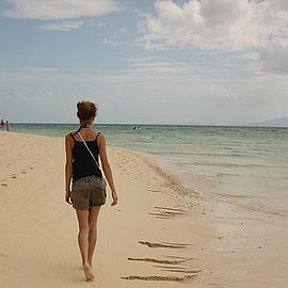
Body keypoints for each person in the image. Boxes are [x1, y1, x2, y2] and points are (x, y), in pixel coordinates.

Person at [65, 101, 118, 281]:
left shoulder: (70, 137)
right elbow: (106, 165)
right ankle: (89, 261)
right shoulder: (99, 137)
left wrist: (67, 188)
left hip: (79, 185)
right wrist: (113, 189)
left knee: (83, 228)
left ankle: (85, 262)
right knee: (93, 225)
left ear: (78, 116)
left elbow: (68, 166)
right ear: (93, 117)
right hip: (97, 184)